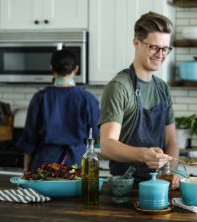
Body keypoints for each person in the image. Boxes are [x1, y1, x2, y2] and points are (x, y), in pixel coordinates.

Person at [99, 12, 179, 188]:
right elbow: (107, 145)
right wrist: (143, 154)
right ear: (136, 42)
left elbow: (171, 140)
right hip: (126, 188)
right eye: (153, 47)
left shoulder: (162, 88)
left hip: (159, 185)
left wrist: (172, 170)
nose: (160, 54)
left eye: (165, 48)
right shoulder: (119, 87)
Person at [17, 49, 99, 172]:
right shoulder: (88, 99)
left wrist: (26, 168)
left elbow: (30, 139)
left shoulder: (40, 98)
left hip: (44, 165)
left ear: (51, 68)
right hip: (77, 164)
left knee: (39, 193)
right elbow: (95, 136)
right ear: (76, 69)